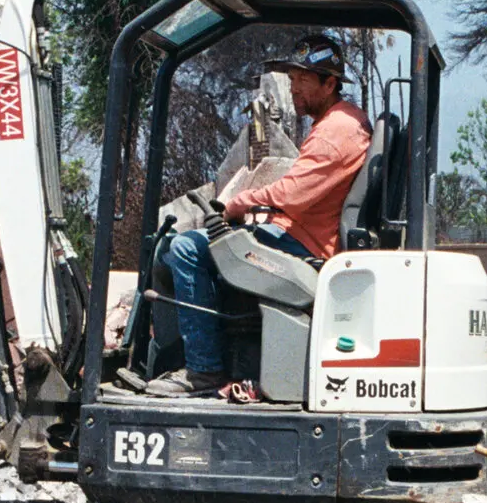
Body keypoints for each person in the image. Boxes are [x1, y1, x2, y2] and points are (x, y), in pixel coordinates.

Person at [157, 37, 371, 395]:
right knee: (203, 246)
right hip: (300, 235)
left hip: (305, 248)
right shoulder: (342, 122)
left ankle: (203, 369)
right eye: (292, 77)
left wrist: (238, 204)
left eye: (303, 79)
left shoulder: (335, 132)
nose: (293, 86)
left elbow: (292, 195)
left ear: (329, 84)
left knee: (185, 249)